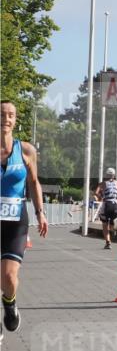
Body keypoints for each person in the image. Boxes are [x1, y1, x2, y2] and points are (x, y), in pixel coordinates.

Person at [1, 101, 49, 334]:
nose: (6, 119)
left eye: (10, 115)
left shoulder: (26, 150)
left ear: (15, 120)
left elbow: (34, 182)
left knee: (9, 277)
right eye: (2, 114)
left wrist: (40, 213)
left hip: (15, 221)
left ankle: (10, 304)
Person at [95, 168, 117, 249]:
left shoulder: (103, 183)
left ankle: (108, 242)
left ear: (106, 175)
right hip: (115, 204)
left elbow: (96, 192)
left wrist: (101, 197)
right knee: (112, 220)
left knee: (104, 225)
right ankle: (113, 226)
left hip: (107, 203)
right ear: (114, 175)